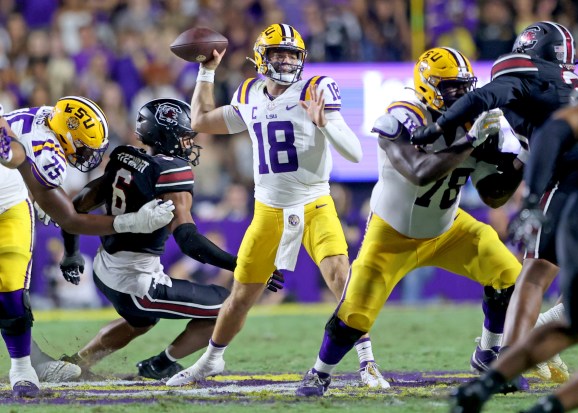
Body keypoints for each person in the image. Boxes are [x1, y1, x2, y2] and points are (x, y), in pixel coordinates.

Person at [166, 23, 386, 389]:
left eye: (291, 54)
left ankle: (367, 361)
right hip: (268, 209)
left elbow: (356, 150)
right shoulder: (250, 91)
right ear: (260, 58)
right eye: (277, 54)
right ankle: (210, 360)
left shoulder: (315, 89)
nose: (285, 60)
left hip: (314, 202)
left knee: (341, 277)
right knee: (240, 296)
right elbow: (200, 120)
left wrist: (325, 123)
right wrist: (206, 70)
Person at [295, 47, 525, 396]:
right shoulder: (403, 115)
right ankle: (319, 372)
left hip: (448, 228)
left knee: (510, 276)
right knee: (355, 312)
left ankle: (489, 353)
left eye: (465, 86)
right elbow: (418, 172)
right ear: (427, 87)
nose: (461, 95)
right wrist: (469, 141)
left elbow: (494, 195)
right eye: (451, 88)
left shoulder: (475, 121)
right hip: (391, 234)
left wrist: (520, 157)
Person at [411, 21, 578, 385]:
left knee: (537, 272)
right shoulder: (573, 83)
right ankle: (529, 343)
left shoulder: (523, 69)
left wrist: (438, 127)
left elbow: (481, 98)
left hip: (573, 173)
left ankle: (507, 358)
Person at [57, 98, 283, 380]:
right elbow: (188, 240)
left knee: (140, 321)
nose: (189, 142)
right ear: (165, 135)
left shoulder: (124, 157)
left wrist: (71, 252)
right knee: (228, 307)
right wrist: (242, 265)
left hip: (106, 268)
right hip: (136, 281)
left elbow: (76, 207)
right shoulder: (171, 170)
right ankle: (160, 364)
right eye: (184, 136)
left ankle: (74, 365)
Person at [450, 48, 578, 413]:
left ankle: (492, 378)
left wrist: (529, 200)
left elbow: (551, 133)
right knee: (543, 277)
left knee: (577, 320)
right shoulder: (576, 82)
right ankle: (536, 393)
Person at [0, 96, 174, 397]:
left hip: (10, 200)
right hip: (13, 193)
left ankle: (27, 365)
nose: (85, 155)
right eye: (81, 145)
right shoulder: (47, 150)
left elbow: (15, 151)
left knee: (11, 289)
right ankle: (36, 361)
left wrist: (68, 250)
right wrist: (130, 222)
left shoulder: (45, 119)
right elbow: (70, 219)